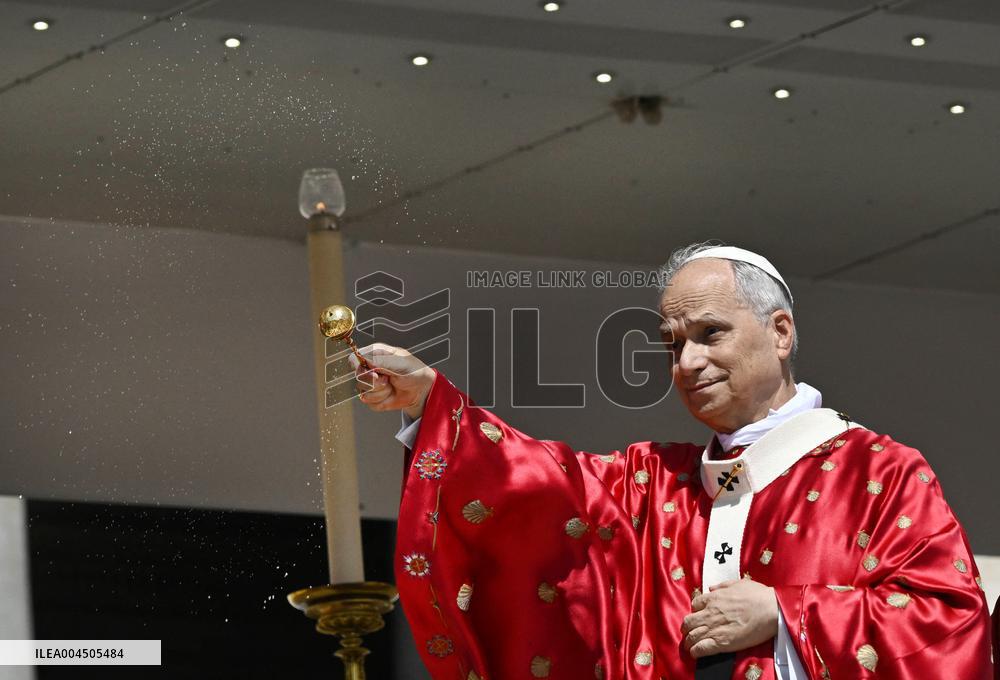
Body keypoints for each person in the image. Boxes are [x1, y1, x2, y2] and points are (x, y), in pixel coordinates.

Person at [352, 243, 994, 679]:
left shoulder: (878, 471)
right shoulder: (650, 483)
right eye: (672, 344)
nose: (687, 363)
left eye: (710, 334)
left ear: (780, 332)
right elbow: (537, 486)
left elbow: (950, 621)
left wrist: (783, 613)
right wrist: (433, 404)